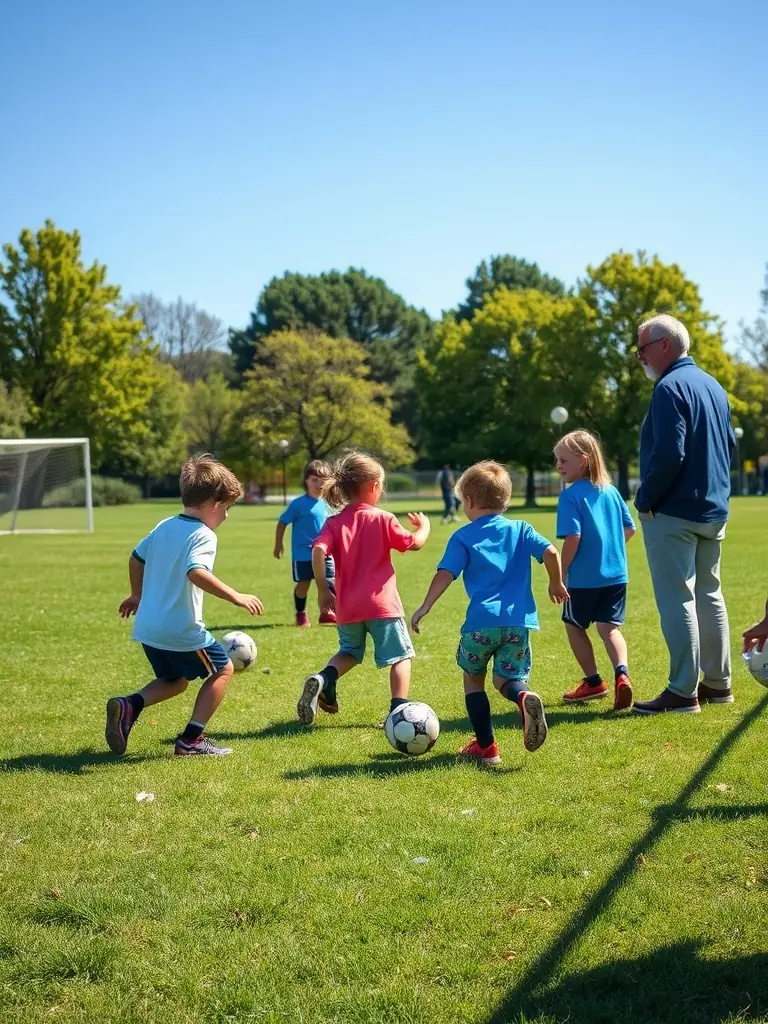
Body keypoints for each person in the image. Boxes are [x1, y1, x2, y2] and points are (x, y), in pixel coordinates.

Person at [411, 460, 569, 764]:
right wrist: (555, 582)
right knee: (505, 680)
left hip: (480, 625)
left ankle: (486, 747)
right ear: (505, 500)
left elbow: (446, 572)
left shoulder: (463, 536)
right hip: (517, 624)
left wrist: (425, 606)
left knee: (474, 680)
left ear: (469, 501)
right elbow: (551, 551)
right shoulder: (521, 529)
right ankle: (523, 697)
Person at [106, 454, 264, 757]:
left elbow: (136, 557)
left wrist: (136, 594)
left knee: (175, 681)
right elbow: (196, 572)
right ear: (214, 504)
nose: (227, 516)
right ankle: (191, 740)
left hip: (149, 628)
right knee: (223, 670)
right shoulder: (203, 534)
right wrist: (236, 596)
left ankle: (129, 705)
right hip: (181, 629)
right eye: (228, 508)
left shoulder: (165, 525)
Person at [632, 314, 736, 715]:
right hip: (713, 509)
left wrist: (646, 499)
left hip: (674, 511)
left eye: (642, 348)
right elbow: (727, 447)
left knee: (678, 600)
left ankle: (682, 691)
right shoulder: (713, 386)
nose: (640, 357)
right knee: (710, 595)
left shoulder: (669, 388)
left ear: (664, 346)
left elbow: (669, 453)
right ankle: (718, 683)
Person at [296, 452, 431, 726]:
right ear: (373, 486)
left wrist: (323, 588)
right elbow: (414, 543)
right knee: (401, 656)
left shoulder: (333, 522)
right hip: (382, 605)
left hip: (347, 605)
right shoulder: (383, 518)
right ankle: (397, 711)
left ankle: (324, 678)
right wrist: (424, 526)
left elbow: (319, 550)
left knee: (349, 652)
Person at [555, 430, 636, 710]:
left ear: (585, 460)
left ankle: (593, 682)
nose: (559, 467)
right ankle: (622, 673)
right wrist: (608, 550)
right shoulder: (611, 491)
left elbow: (573, 537)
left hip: (584, 579)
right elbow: (629, 528)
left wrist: (560, 573)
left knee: (574, 626)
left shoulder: (570, 496)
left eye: (564, 461)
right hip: (616, 575)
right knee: (609, 629)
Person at [274, 459, 336, 627]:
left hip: (326, 553)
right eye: (314, 480)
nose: (319, 484)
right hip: (303, 554)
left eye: (323, 480)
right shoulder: (299, 504)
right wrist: (278, 544)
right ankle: (301, 613)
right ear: (306, 481)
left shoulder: (330, 504)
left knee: (329, 582)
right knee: (304, 584)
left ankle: (327, 613)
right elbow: (282, 522)